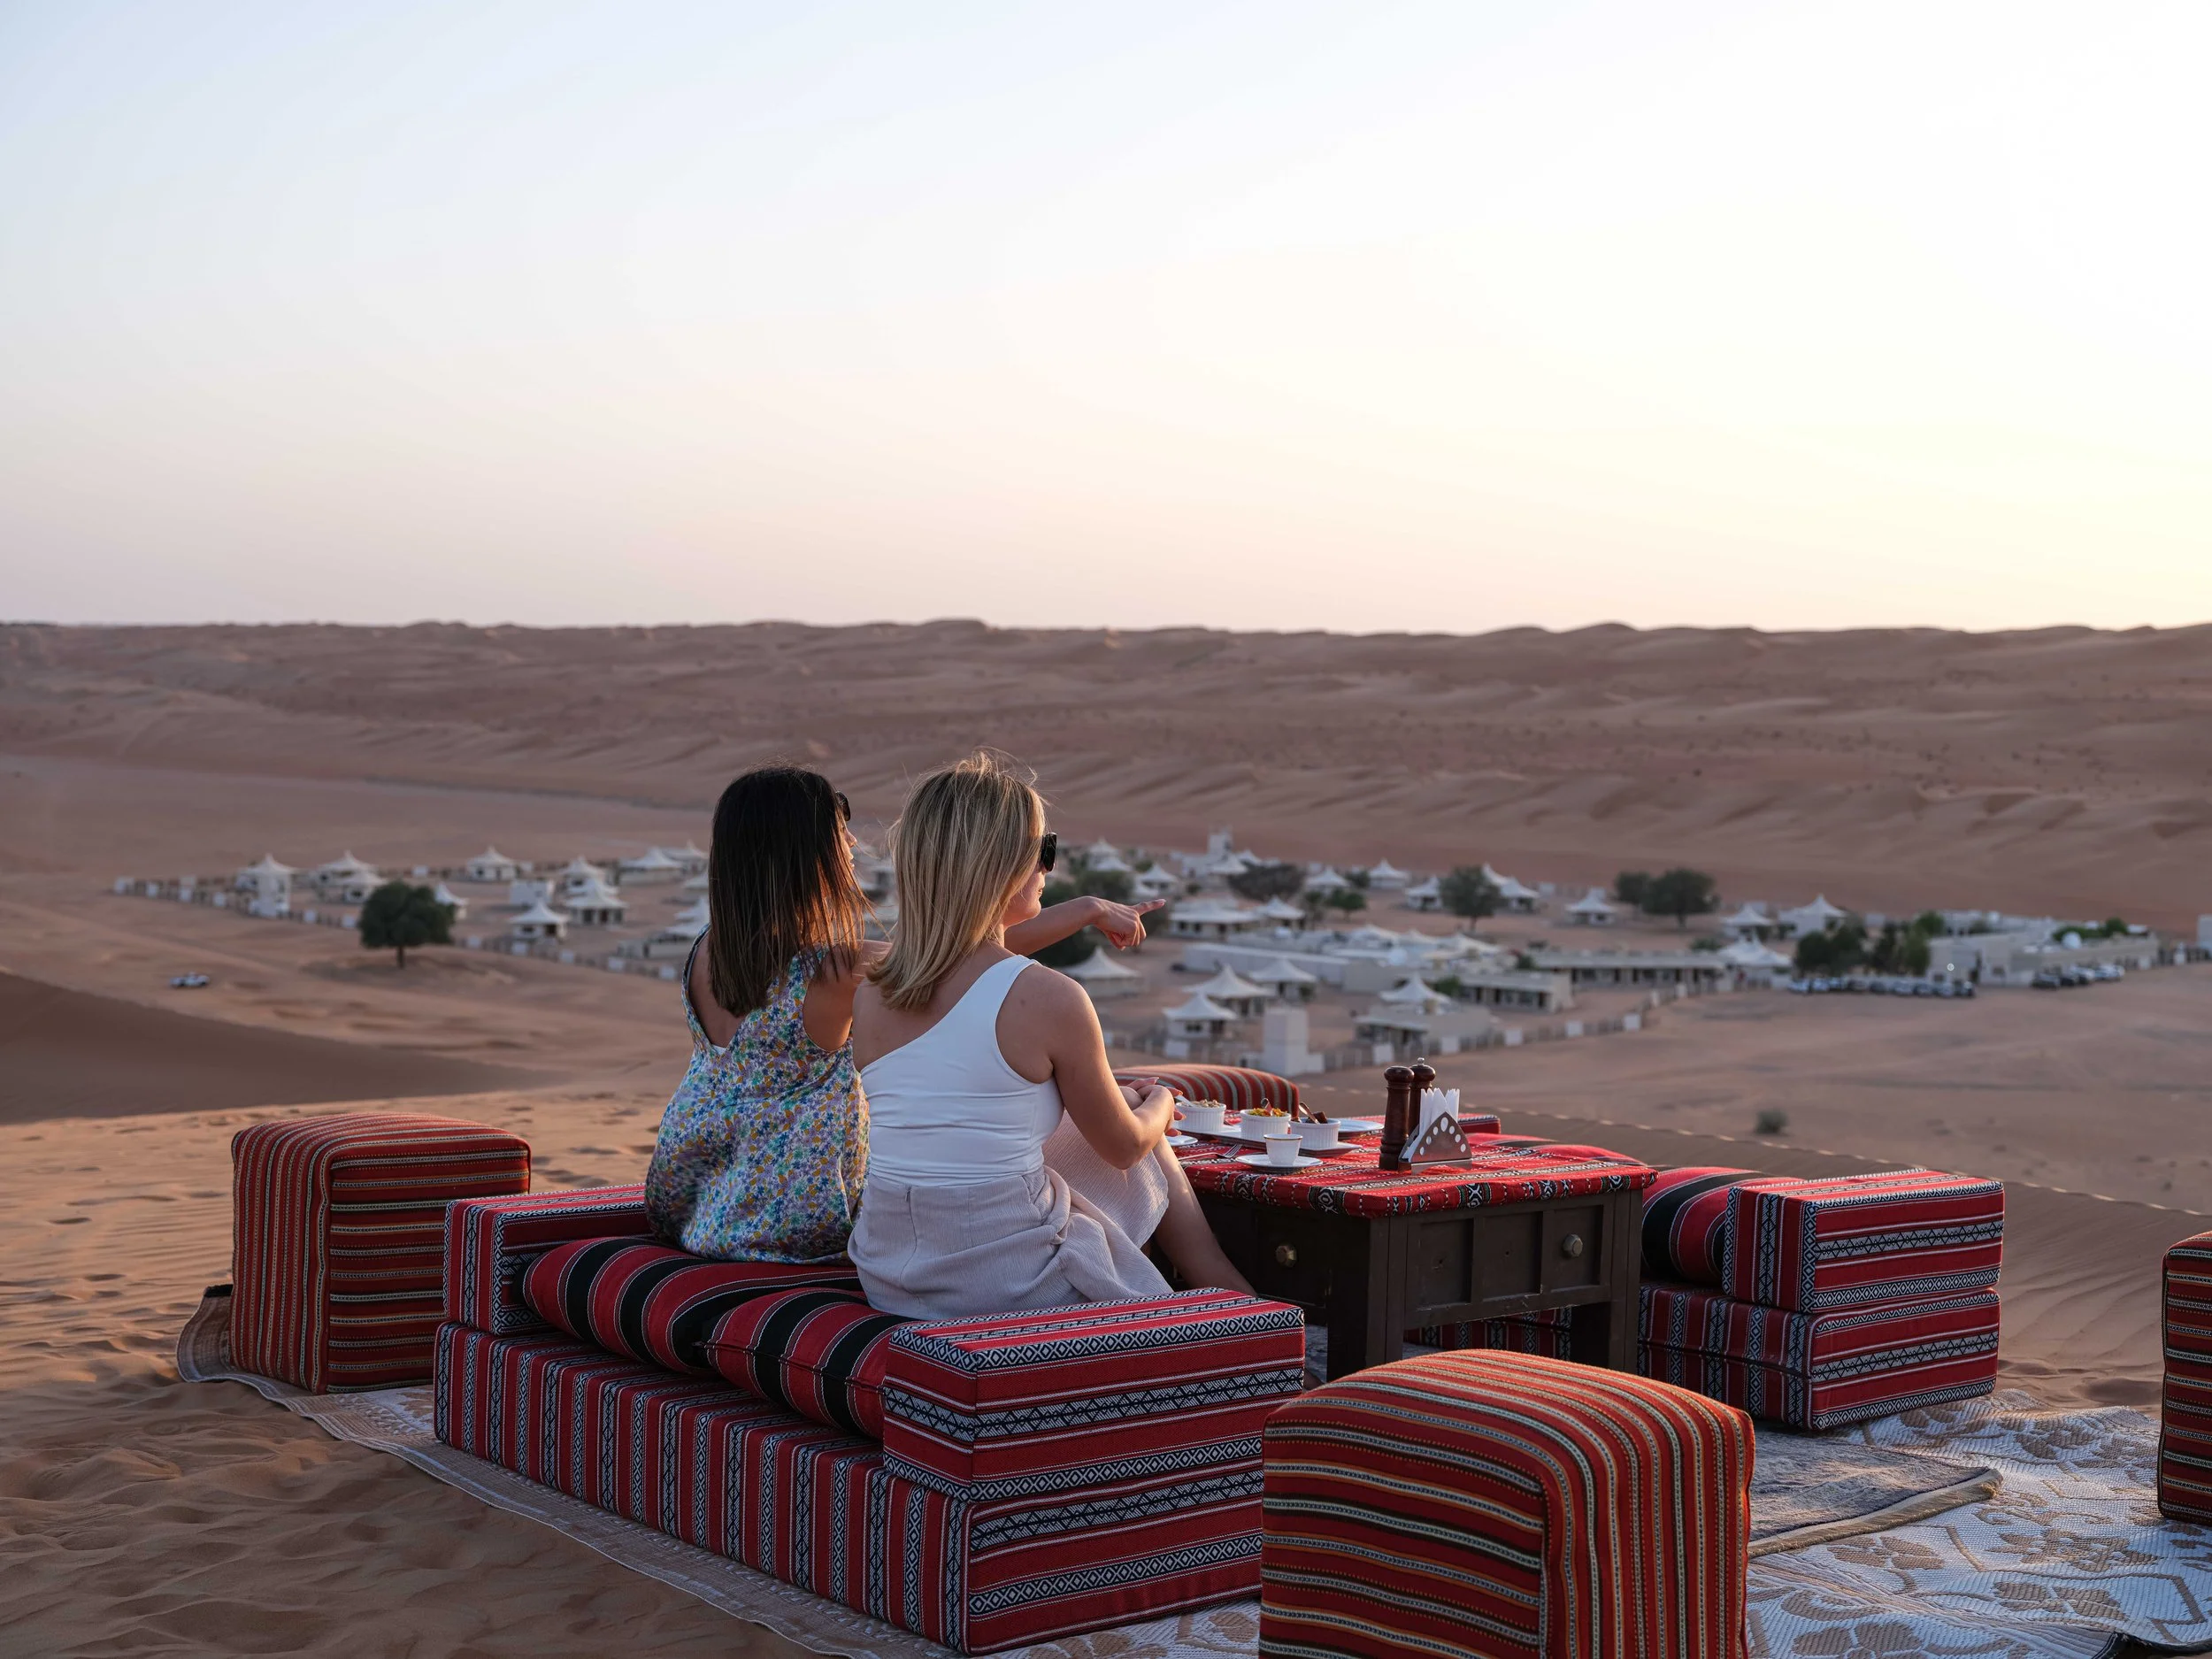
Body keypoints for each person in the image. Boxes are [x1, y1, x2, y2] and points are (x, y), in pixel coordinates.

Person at [646, 763, 1156, 1262]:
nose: (851, 850)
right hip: (793, 1204)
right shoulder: (833, 970)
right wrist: (1087, 910)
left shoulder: (707, 951)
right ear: (805, 859)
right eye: (839, 840)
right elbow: (963, 956)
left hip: (694, 1182)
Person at [849, 752, 1252, 1315]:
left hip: (890, 1273)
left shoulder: (871, 992)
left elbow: (967, 971)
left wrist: (1086, 909)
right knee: (1143, 1132)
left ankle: (1231, 1297)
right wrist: (1161, 1101)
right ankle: (1240, 1306)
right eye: (1045, 852)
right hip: (1003, 1283)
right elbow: (1122, 1147)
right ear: (1005, 866)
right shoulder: (1050, 999)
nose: (1048, 869)